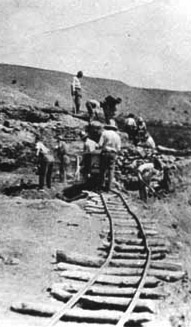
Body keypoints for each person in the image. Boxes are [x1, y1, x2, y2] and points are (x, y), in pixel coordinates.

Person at [98, 122, 121, 191]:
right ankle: (109, 187)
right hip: (113, 153)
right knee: (111, 170)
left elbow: (100, 144)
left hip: (105, 152)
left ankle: (101, 185)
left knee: (103, 169)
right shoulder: (117, 136)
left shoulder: (104, 133)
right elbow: (119, 148)